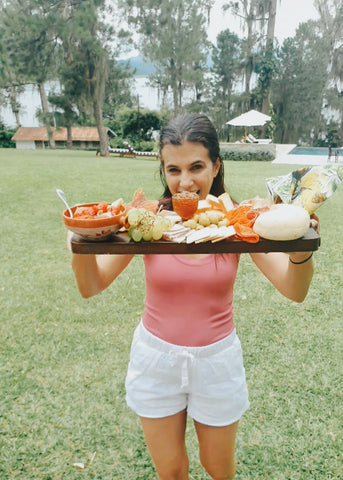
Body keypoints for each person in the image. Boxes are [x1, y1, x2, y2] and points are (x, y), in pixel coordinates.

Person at [70, 113, 314, 480]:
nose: (184, 181)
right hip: (156, 362)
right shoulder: (147, 221)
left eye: (196, 166)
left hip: (216, 364)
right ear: (163, 171)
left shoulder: (235, 222)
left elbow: (294, 290)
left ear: (216, 166)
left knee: (218, 468)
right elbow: (92, 286)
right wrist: (80, 242)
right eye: (173, 169)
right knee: (170, 471)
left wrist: (300, 249)